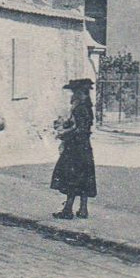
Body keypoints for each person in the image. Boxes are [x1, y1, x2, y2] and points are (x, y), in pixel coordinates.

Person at [51, 77, 97, 218]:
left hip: (75, 147)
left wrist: (63, 133)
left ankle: (68, 210)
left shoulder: (80, 108)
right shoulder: (87, 108)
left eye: (74, 92)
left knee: (72, 177)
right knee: (84, 177)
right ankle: (83, 209)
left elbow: (79, 129)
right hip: (85, 147)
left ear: (80, 93)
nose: (72, 95)